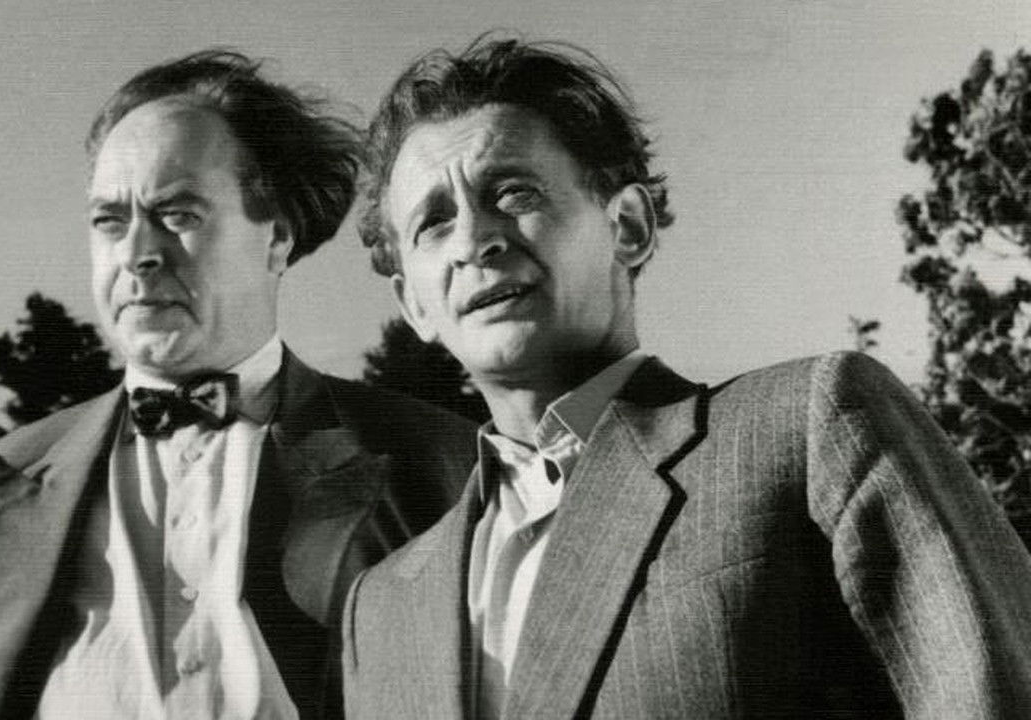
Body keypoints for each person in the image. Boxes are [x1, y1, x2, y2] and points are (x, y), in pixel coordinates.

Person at [342, 36, 1031, 719]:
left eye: (513, 191)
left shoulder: (810, 430)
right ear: (414, 305)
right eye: (434, 223)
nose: (473, 241)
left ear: (628, 225)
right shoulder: (376, 610)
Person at [0, 50, 476, 720]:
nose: (137, 254)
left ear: (277, 238)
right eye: (110, 221)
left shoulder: (444, 465)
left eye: (178, 214)